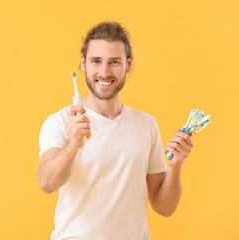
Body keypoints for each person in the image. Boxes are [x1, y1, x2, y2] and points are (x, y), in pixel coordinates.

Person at [37, 21, 193, 240]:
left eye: (114, 62)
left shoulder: (146, 125)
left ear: (128, 64)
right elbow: (46, 183)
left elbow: (164, 207)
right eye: (96, 61)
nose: (104, 72)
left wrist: (175, 165)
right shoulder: (61, 122)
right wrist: (73, 144)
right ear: (83, 63)